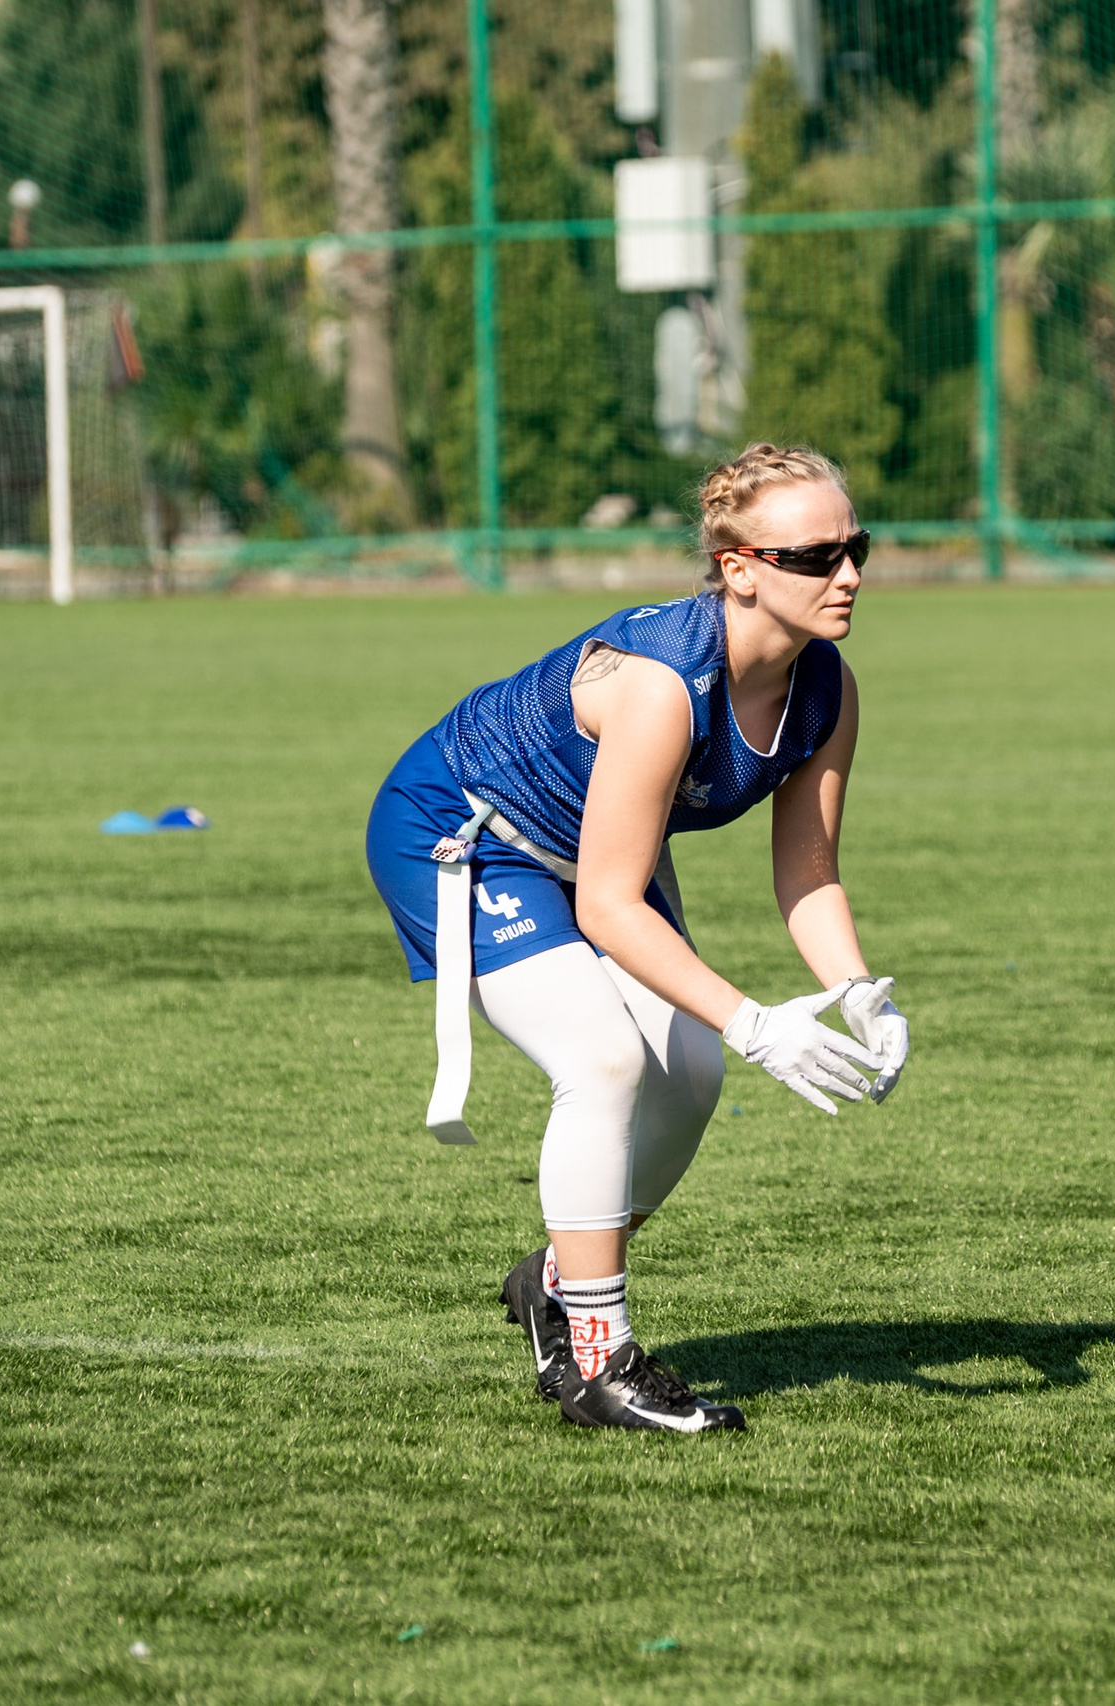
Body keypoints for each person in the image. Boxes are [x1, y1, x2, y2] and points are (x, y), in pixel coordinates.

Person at [363, 443, 909, 1434]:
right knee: (606, 1060)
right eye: (815, 556)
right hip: (466, 830)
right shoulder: (663, 683)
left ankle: (559, 1278)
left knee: (690, 1072)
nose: (850, 575)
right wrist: (755, 1021)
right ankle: (597, 1362)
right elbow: (611, 904)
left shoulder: (828, 689)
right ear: (736, 568)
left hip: (601, 847)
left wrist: (863, 991)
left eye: (856, 546)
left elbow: (809, 871)